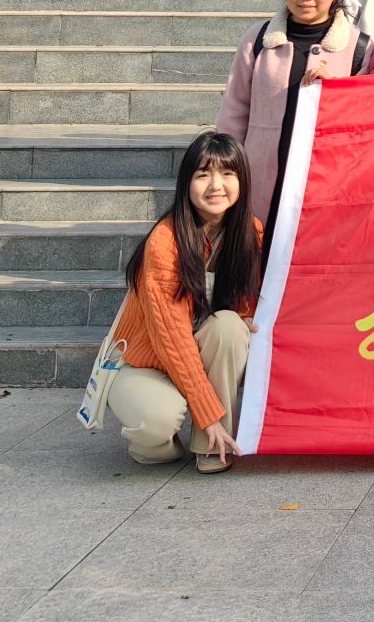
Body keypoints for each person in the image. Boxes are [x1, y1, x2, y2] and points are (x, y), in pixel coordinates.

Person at [108, 131, 262, 473]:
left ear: (242, 180)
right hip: (144, 362)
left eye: (227, 173)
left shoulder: (251, 234)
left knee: (230, 328)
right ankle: (157, 445)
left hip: (197, 349)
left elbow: (249, 303)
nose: (216, 186)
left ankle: (212, 445)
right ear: (186, 183)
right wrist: (207, 414)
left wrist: (247, 316)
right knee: (157, 422)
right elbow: (172, 341)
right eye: (203, 174)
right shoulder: (165, 242)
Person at [218, 0, 365, 229]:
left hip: (326, 177)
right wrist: (226, 168)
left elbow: (365, 116)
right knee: (258, 244)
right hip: (260, 176)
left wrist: (335, 92)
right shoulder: (258, 39)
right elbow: (234, 110)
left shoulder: (357, 46)